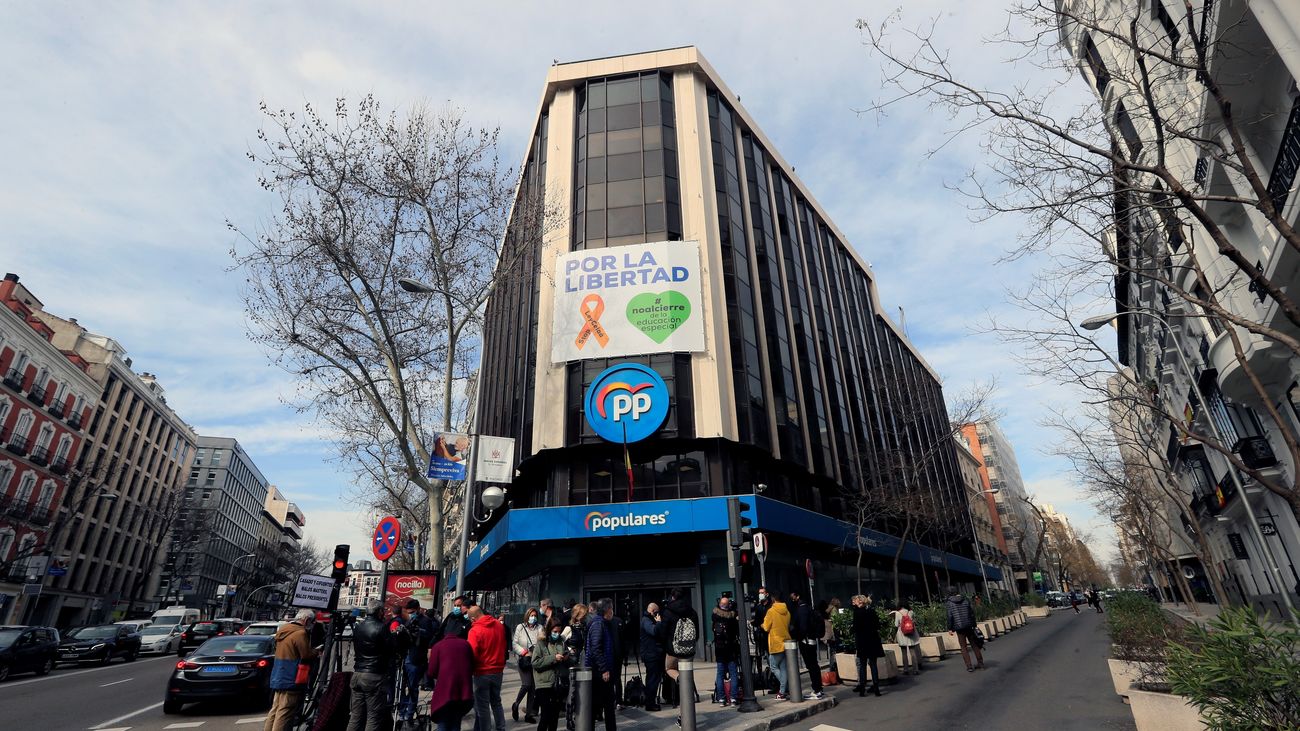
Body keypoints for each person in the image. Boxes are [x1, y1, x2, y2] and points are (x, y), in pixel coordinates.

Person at [264, 609, 319, 731]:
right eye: (312, 621)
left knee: (275, 709)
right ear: (306, 620)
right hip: (292, 676)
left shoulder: (284, 630)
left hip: (279, 674)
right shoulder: (300, 633)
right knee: (285, 712)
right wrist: (317, 651)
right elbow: (306, 655)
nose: (312, 625)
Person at [349, 599, 397, 731]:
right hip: (374, 676)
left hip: (357, 673)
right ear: (379, 611)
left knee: (356, 716)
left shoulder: (359, 627)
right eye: (383, 611)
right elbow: (391, 649)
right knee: (373, 717)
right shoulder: (381, 628)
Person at [427, 620, 476, 731]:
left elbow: (431, 671)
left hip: (444, 691)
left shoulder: (438, 646)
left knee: (443, 722)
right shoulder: (466, 645)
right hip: (462, 691)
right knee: (456, 721)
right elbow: (473, 665)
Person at [467, 606, 508, 731]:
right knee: (496, 702)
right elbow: (503, 645)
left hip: (482, 672)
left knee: (483, 707)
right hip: (498, 670)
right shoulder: (498, 625)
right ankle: (501, 728)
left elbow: (471, 653)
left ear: (473, 618)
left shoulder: (474, 631)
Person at [531, 617, 572, 731]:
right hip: (543, 684)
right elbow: (535, 662)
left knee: (554, 717)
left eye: (559, 632)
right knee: (546, 716)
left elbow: (567, 659)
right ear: (549, 631)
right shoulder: (541, 643)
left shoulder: (561, 642)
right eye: (554, 632)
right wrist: (553, 658)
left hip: (557, 683)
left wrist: (567, 657)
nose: (557, 634)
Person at [398, 599, 434, 720]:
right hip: (405, 657)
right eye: (409, 612)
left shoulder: (426, 621)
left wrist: (419, 632)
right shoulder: (408, 620)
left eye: (412, 612)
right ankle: (402, 711)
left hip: (416, 659)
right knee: (402, 687)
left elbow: (429, 636)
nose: (411, 614)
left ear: (418, 609)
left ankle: (409, 714)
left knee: (413, 688)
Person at [585, 599, 618, 731]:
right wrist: (604, 669)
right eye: (612, 609)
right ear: (607, 610)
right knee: (604, 705)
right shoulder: (598, 624)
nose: (613, 612)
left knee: (606, 706)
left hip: (601, 670)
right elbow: (596, 649)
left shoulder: (602, 623)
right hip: (599, 673)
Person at [789, 590, 826, 699]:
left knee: (811, 665)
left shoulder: (801, 610)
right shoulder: (809, 608)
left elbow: (802, 627)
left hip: (806, 641)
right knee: (814, 665)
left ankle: (816, 690)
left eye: (792, 596)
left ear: (797, 596)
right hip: (812, 639)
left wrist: (798, 636)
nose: (791, 599)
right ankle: (818, 688)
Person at [511, 607, 542, 724]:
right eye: (531, 615)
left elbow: (542, 642)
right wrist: (523, 651)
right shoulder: (520, 627)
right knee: (526, 684)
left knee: (533, 689)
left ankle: (528, 714)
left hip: (535, 661)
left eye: (534, 615)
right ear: (527, 616)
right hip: (524, 660)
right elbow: (514, 643)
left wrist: (536, 650)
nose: (532, 618)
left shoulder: (540, 628)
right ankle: (516, 704)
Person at [850, 595, 885, 697]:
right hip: (873, 641)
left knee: (863, 665)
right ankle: (876, 688)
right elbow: (878, 625)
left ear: (860, 602)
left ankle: (862, 689)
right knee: (873, 665)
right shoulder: (872, 612)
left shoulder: (857, 613)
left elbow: (855, 628)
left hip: (862, 642)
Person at [945, 587, 984, 672]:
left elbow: (950, 616)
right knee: (974, 644)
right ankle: (980, 663)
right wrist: (974, 625)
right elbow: (971, 613)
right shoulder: (965, 600)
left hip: (959, 627)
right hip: (969, 625)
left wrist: (950, 628)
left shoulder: (949, 603)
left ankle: (969, 666)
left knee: (963, 647)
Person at [761, 592, 793, 700]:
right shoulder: (787, 611)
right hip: (786, 641)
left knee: (774, 667)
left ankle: (784, 689)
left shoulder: (771, 611)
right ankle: (784, 690)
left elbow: (765, 627)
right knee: (783, 668)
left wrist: (761, 624)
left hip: (775, 643)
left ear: (773, 599)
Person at [711, 594, 740, 706]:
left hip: (719, 649)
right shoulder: (732, 618)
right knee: (733, 674)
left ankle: (722, 698)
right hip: (731, 648)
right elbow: (737, 630)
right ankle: (733, 698)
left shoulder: (714, 616)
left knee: (720, 674)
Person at [638, 602, 665, 712]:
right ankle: (650, 703)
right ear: (653, 611)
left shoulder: (648, 619)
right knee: (652, 679)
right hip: (651, 654)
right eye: (657, 611)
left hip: (654, 653)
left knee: (654, 678)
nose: (658, 613)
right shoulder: (646, 620)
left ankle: (651, 701)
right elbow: (653, 631)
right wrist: (659, 623)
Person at [890, 600, 921, 676]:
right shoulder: (911, 612)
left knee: (904, 653)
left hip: (902, 634)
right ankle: (915, 669)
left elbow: (896, 625)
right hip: (911, 634)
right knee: (912, 652)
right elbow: (914, 621)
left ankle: (906, 669)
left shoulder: (897, 613)